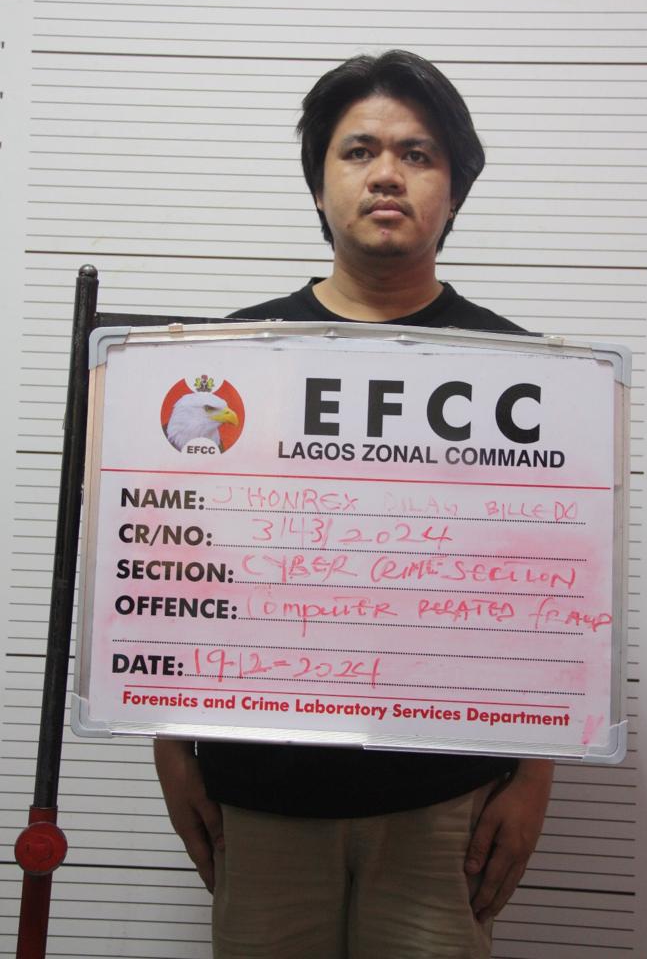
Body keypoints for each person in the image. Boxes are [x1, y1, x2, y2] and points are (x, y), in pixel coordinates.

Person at [155, 50, 554, 959]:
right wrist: (170, 748)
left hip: (448, 800)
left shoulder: (524, 374)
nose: (385, 174)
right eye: (359, 150)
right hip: (255, 791)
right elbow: (178, 563)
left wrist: (534, 776)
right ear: (319, 183)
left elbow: (546, 591)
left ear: (453, 193)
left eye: (417, 154)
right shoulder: (227, 361)